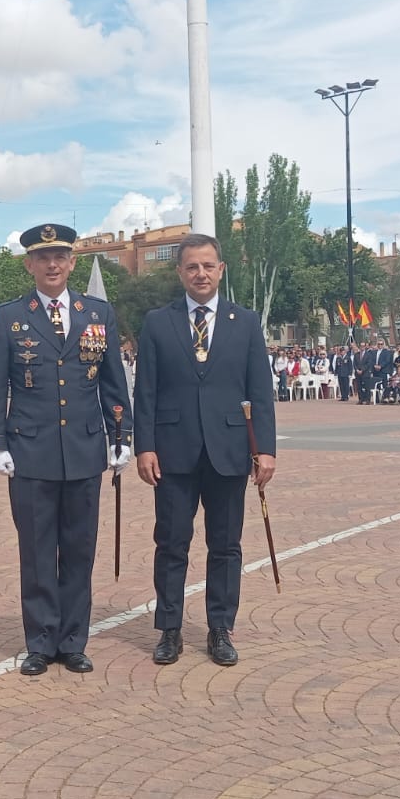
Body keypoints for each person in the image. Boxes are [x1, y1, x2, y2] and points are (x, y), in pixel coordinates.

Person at [0, 222, 129, 676]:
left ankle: (73, 640)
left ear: (72, 263)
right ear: (29, 264)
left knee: (80, 549)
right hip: (31, 452)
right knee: (39, 550)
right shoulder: (9, 317)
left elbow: (112, 380)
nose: (52, 264)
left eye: (60, 256)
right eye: (42, 258)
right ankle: (41, 641)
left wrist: (121, 435)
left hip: (84, 450)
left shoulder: (97, 314)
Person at [134, 233, 276, 669]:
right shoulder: (159, 322)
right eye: (192, 267)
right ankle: (170, 628)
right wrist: (145, 447)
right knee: (172, 543)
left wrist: (265, 449)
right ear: (180, 272)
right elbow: (146, 392)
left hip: (229, 450)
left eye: (208, 266)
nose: (200, 274)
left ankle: (220, 628)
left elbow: (260, 390)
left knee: (226, 545)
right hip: (173, 453)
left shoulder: (245, 322)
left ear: (221, 270)